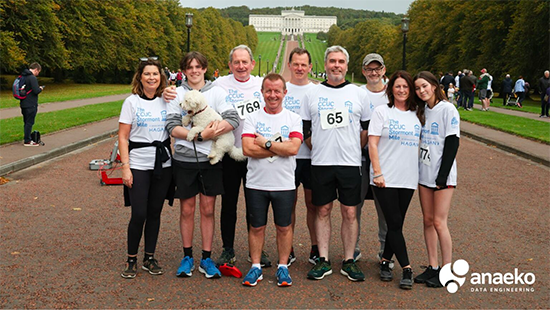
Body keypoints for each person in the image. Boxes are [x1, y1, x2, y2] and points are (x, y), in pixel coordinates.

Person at [165, 52, 240, 279]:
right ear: (184, 71)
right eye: (190, 67)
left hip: (210, 161)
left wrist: (210, 133)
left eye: (198, 66)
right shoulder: (176, 93)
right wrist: (198, 136)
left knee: (208, 210)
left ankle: (206, 258)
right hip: (185, 160)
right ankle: (187, 256)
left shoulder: (217, 92)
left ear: (205, 69)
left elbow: (233, 120)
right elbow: (171, 125)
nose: (194, 70)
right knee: (187, 210)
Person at [300, 46, 371, 282]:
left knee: (350, 212)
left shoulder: (359, 94)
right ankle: (323, 259)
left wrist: (352, 147)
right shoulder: (312, 94)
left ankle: (349, 260)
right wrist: (319, 146)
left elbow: (366, 129)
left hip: (350, 163)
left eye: (341, 61)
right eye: (332, 61)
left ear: (347, 65)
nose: (336, 65)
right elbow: (305, 128)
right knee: (322, 210)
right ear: (326, 64)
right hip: (321, 162)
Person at [241, 73, 303, 287]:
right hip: (256, 183)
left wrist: (265, 144)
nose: (273, 95)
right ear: (262, 93)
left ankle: (283, 267)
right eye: (269, 90)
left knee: (284, 227)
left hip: (284, 183)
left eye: (277, 91)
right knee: (256, 227)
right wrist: (280, 149)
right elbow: (247, 148)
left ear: (284, 93)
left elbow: (294, 148)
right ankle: (255, 267)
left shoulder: (293, 118)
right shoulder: (252, 117)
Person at [213, 45, 269, 267]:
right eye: (236, 62)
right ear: (230, 65)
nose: (241, 66)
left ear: (252, 64)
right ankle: (228, 249)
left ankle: (257, 250)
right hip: (229, 152)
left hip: (254, 152)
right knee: (229, 204)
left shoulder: (261, 84)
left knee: (256, 205)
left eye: (245, 62)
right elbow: (194, 91)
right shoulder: (219, 84)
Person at [368, 70, 423, 290]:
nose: (401, 90)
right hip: (385, 178)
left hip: (408, 177)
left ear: (410, 90)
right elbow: (372, 144)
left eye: (405, 87)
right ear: (391, 89)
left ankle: (384, 261)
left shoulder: (418, 113)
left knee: (396, 224)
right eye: (397, 86)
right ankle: (407, 268)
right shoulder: (382, 112)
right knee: (394, 223)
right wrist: (377, 172)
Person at [119, 57, 173, 279]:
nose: (152, 77)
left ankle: (149, 257)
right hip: (139, 162)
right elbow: (123, 137)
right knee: (139, 213)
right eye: (147, 74)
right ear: (140, 77)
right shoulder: (131, 102)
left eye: (155, 74)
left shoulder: (167, 100)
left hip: (163, 163)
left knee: (154, 213)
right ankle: (131, 257)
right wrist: (125, 167)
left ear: (161, 77)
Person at [413, 71, 460, 288]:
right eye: (418, 88)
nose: (421, 91)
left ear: (434, 85)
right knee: (427, 221)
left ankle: (447, 269)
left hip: (442, 175)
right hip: (425, 173)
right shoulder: (422, 111)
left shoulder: (447, 109)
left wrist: (442, 175)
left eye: (424, 86)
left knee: (440, 223)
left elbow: (452, 143)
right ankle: (433, 267)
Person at [282, 48, 318, 265]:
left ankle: (315, 247)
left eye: (304, 64)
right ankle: (289, 247)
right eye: (296, 64)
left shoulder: (317, 91)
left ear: (310, 67)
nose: (299, 68)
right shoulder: (282, 89)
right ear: (289, 65)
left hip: (312, 156)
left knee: (313, 204)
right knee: (290, 204)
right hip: (288, 156)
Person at [355, 53, 391, 267]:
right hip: (359, 156)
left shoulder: (393, 93)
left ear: (384, 70)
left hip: (385, 158)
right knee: (353, 206)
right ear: (363, 71)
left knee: (385, 209)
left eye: (377, 69)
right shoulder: (357, 93)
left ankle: (385, 252)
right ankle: (354, 248)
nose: (374, 72)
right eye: (369, 69)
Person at [19, 63, 43, 146]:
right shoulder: (32, 78)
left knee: (26, 122)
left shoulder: (23, 76)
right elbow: (36, 91)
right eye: (38, 72)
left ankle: (27, 137)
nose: (38, 74)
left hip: (23, 103)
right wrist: (40, 88)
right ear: (36, 69)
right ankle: (27, 140)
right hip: (31, 103)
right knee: (29, 122)